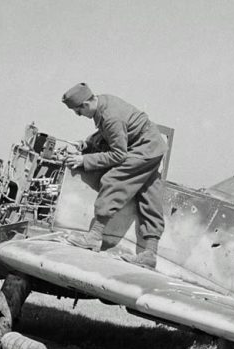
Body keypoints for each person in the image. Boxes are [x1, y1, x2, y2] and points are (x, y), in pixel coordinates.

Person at [62, 82, 167, 269]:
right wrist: (87, 145)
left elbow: (119, 154)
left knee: (113, 180)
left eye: (78, 112)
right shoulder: (104, 103)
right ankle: (150, 254)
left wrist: (84, 161)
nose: (79, 116)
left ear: (85, 105)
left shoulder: (110, 116)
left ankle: (94, 237)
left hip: (145, 148)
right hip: (152, 146)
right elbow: (107, 134)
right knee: (149, 193)